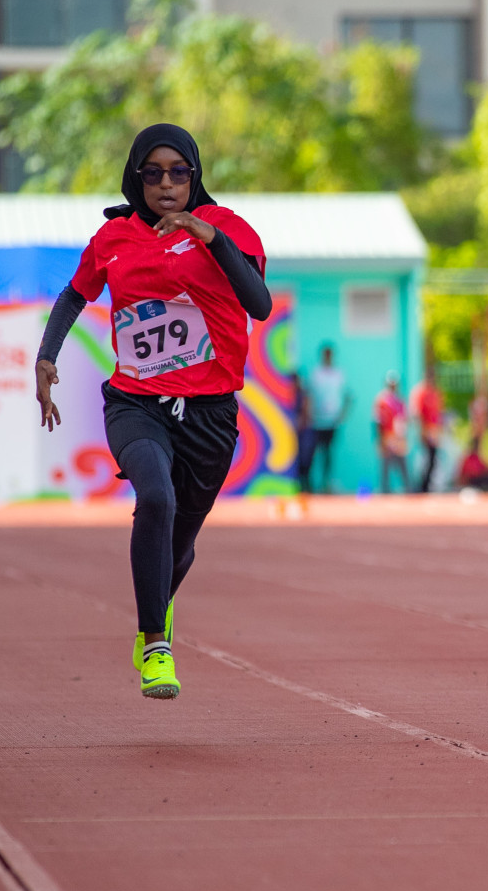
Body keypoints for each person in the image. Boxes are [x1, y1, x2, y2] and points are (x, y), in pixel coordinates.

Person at [34, 123, 271, 700]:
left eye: (179, 173)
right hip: (135, 403)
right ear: (136, 178)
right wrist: (46, 356)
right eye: (154, 173)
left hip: (210, 415)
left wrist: (208, 236)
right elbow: (74, 294)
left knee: (181, 545)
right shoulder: (113, 238)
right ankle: (156, 645)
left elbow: (259, 306)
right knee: (155, 497)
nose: (167, 184)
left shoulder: (230, 229)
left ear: (195, 175)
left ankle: (154, 613)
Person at [308, 344, 349, 493]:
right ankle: (310, 484)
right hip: (317, 420)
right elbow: (310, 395)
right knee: (314, 453)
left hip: (333, 421)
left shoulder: (338, 374)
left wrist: (343, 414)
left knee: (329, 453)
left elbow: (346, 395)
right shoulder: (316, 373)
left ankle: (326, 484)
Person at [410, 368, 445, 493]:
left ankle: (425, 486)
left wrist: (438, 431)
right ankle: (422, 487)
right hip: (425, 431)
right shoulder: (420, 392)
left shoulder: (435, 393)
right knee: (427, 459)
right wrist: (421, 431)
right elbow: (417, 413)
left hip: (433, 431)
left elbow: (438, 413)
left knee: (432, 458)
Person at [374, 371, 408, 493]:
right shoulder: (382, 400)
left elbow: (404, 420)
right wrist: (380, 439)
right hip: (387, 436)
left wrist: (403, 437)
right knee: (385, 467)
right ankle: (385, 492)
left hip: (398, 437)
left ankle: (408, 491)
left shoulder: (400, 400)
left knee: (403, 466)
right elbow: (378, 421)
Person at [293, 370, 317, 493]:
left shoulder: (303, 395)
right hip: (296, 436)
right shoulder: (290, 396)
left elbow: (306, 416)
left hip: (305, 435)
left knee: (305, 465)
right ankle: (301, 490)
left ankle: (307, 490)